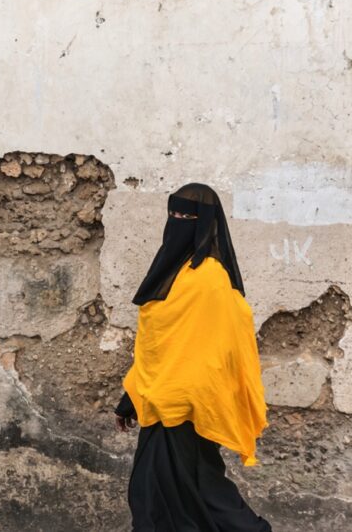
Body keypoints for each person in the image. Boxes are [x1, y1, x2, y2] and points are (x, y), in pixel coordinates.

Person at [114, 182, 271, 532]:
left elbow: (222, 347)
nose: (177, 221)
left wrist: (189, 393)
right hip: (161, 402)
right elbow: (158, 346)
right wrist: (131, 398)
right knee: (164, 496)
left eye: (186, 217)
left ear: (206, 223)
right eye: (173, 213)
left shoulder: (211, 278)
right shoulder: (173, 271)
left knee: (194, 493)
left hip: (190, 408)